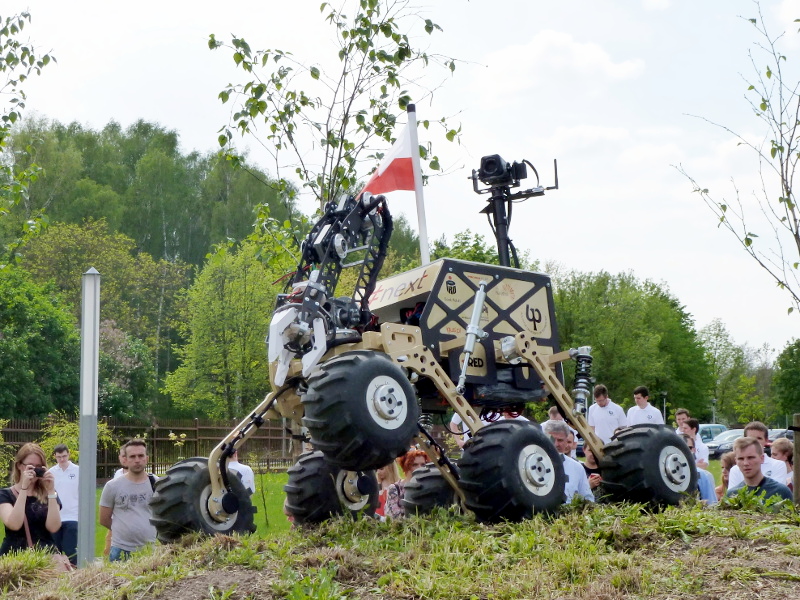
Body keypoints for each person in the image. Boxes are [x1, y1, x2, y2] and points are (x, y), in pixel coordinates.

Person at [99, 439, 157, 561]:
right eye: (132, 456)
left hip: (149, 550)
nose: (137, 460)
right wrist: (123, 532)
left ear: (147, 458)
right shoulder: (112, 486)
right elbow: (104, 519)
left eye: (141, 456)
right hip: (120, 550)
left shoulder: (156, 484)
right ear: (125, 460)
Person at [0, 443, 62, 556]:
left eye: (38, 466)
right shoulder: (5, 495)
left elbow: (54, 527)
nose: (34, 471)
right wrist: (24, 488)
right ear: (19, 465)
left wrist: (50, 491)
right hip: (15, 558)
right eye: (30, 466)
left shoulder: (50, 494)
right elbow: (14, 524)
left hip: (46, 558)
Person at [726, 437, 792, 502]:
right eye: (741, 459)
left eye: (751, 458)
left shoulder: (781, 492)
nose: (745, 463)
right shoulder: (732, 495)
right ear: (736, 461)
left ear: (762, 458)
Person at [727, 422, 788, 490]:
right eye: (750, 438)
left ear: (766, 441)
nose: (755, 441)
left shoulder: (778, 465)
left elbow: (776, 492)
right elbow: (733, 495)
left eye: (759, 438)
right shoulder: (735, 470)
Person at [543, 421, 594, 503]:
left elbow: (587, 499)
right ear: (544, 438)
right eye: (552, 439)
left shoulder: (577, 468)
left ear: (566, 441)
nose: (556, 444)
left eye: (560, 440)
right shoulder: (532, 463)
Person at [48, 443, 79, 565]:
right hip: (56, 517)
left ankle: (77, 571)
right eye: (59, 457)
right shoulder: (51, 472)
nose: (62, 459)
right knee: (56, 550)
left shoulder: (78, 471)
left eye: (64, 456)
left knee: (70, 549)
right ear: (55, 456)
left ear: (68, 455)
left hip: (73, 516)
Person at [384, 448, 427, 519]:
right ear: (406, 466)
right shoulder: (395, 489)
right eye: (415, 465)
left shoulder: (426, 487)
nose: (420, 468)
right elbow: (394, 517)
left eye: (423, 464)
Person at [679, 433, 716, 505]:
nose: (685, 451)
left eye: (688, 448)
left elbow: (711, 505)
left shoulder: (703, 476)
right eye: (681, 447)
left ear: (694, 450)